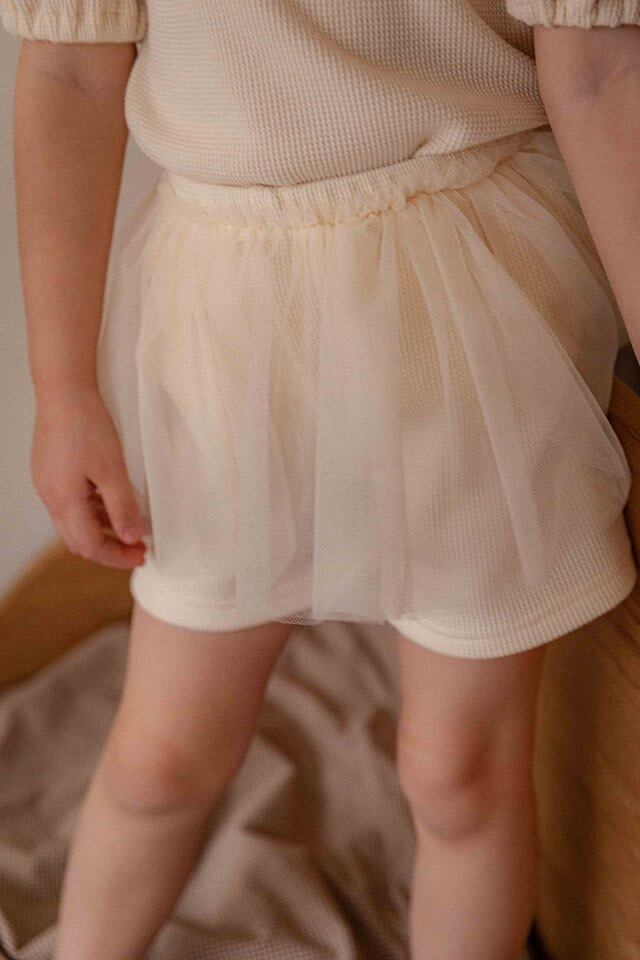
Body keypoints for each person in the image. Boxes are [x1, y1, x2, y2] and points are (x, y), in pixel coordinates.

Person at [4, 1, 640, 957]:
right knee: (162, 756)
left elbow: (601, 67)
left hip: (476, 298)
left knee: (459, 775)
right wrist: (62, 390)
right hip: (225, 322)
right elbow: (70, 70)